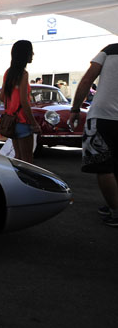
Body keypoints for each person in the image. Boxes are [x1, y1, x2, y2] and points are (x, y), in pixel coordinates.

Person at [69, 42, 118, 227]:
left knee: (103, 166)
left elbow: (87, 80)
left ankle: (116, 211)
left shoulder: (110, 50)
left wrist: (75, 109)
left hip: (102, 116)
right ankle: (113, 203)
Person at [0, 40, 41, 164]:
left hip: (11, 121)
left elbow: (2, 97)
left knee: (18, 157)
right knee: (27, 161)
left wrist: (12, 104)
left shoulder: (8, 73)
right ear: (25, 54)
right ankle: (25, 183)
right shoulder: (23, 74)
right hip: (23, 121)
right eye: (30, 52)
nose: (33, 54)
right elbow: (24, 101)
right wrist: (34, 124)